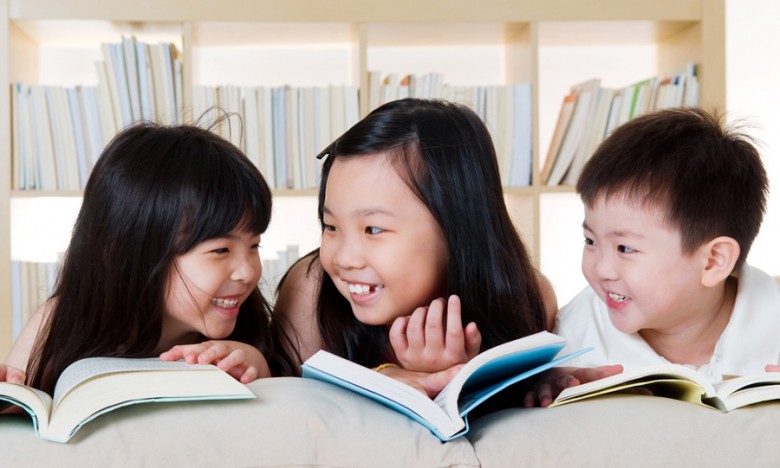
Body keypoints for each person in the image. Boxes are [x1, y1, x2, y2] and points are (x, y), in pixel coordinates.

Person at [276, 98, 563, 396]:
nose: (345, 258)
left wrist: (540, 381)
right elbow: (298, 416)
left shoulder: (527, 298)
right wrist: (395, 377)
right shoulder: (311, 292)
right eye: (331, 227)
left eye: (373, 229)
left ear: (457, 226)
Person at [0, 120, 298, 394]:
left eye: (254, 245)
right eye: (221, 250)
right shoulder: (62, 322)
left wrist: (256, 366)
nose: (247, 272)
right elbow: (23, 406)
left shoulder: (244, 337)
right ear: (132, 252)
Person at [554, 107, 780, 384]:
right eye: (590, 241)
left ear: (713, 261)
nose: (601, 269)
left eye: (624, 248)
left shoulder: (772, 320)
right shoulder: (570, 341)